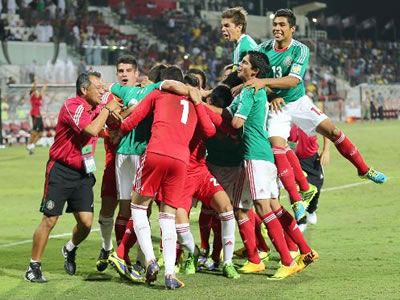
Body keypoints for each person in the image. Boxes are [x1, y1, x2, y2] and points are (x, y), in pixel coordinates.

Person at [244, 9, 387, 219]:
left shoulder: (300, 50)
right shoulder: (263, 49)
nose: (277, 28)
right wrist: (271, 94)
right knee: (277, 148)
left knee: (333, 131)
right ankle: (297, 200)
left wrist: (264, 83)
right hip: (277, 107)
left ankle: (363, 169)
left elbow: (293, 80)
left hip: (299, 102)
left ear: (292, 29)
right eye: (275, 24)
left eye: (282, 25)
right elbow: (253, 76)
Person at [214, 51, 318, 279]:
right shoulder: (252, 90)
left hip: (255, 155)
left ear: (255, 71)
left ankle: (287, 260)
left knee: (262, 208)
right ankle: (300, 251)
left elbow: (235, 121)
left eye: (244, 63)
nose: (239, 66)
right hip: (263, 156)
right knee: (260, 207)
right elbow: (225, 112)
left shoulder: (251, 90)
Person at [24, 71, 122, 283]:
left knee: (86, 223)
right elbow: (91, 128)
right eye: (98, 87)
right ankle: (33, 266)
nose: (102, 90)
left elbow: (103, 123)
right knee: (50, 219)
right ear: (84, 90)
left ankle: (69, 248)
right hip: (61, 170)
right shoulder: (73, 105)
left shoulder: (95, 105)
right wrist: (106, 111)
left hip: (83, 172)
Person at [113, 66, 200, 289]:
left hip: (156, 153)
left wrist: (115, 124)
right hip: (182, 160)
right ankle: (170, 274)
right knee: (168, 217)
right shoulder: (193, 101)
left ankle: (150, 260)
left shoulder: (157, 93)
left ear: (161, 82)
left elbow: (130, 122)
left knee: (138, 207)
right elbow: (207, 131)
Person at [288, 124, 330, 230]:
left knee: (317, 187)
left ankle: (311, 209)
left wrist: (326, 150)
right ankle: (301, 221)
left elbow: (326, 129)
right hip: (293, 158)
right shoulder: (285, 115)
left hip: (311, 158)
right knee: (294, 189)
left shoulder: (309, 113)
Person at [26, 81, 47, 154]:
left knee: (40, 133)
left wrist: (45, 85)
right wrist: (34, 84)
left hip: (39, 115)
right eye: (36, 92)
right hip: (35, 115)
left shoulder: (38, 98)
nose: (37, 93)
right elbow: (34, 89)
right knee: (35, 131)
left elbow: (42, 92)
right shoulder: (33, 97)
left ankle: (32, 145)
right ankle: (29, 145)